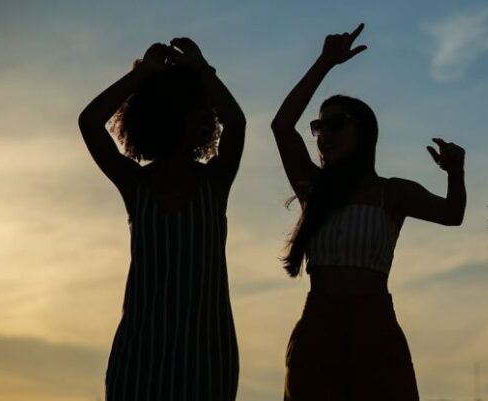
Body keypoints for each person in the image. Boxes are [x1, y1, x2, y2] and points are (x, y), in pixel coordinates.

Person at [271, 24, 466, 401]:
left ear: (363, 131)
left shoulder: (392, 193)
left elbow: (451, 214)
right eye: (319, 126)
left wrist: (455, 173)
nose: (323, 133)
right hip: (318, 326)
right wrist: (324, 63)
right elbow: (281, 126)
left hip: (374, 325)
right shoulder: (313, 188)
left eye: (335, 123)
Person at [78, 38, 245, 401]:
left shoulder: (214, 182)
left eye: (205, 107)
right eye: (193, 107)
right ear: (167, 113)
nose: (206, 115)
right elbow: (90, 122)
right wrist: (141, 75)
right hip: (141, 354)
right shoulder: (136, 183)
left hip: (207, 355)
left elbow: (236, 121)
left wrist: (203, 70)